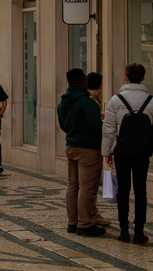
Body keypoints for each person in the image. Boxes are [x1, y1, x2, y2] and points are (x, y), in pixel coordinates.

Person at [102, 62, 153, 244]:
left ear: (126, 78)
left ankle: (124, 231)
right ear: (143, 78)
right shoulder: (151, 101)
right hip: (143, 153)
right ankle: (139, 232)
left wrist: (107, 152)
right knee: (140, 191)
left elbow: (108, 129)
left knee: (123, 190)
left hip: (122, 152)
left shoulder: (116, 100)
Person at [58, 68, 106, 237]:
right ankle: (85, 223)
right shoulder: (87, 102)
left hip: (71, 146)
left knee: (72, 185)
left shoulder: (63, 103)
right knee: (87, 186)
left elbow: (63, 125)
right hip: (88, 149)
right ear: (83, 81)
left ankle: (72, 222)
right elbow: (96, 126)